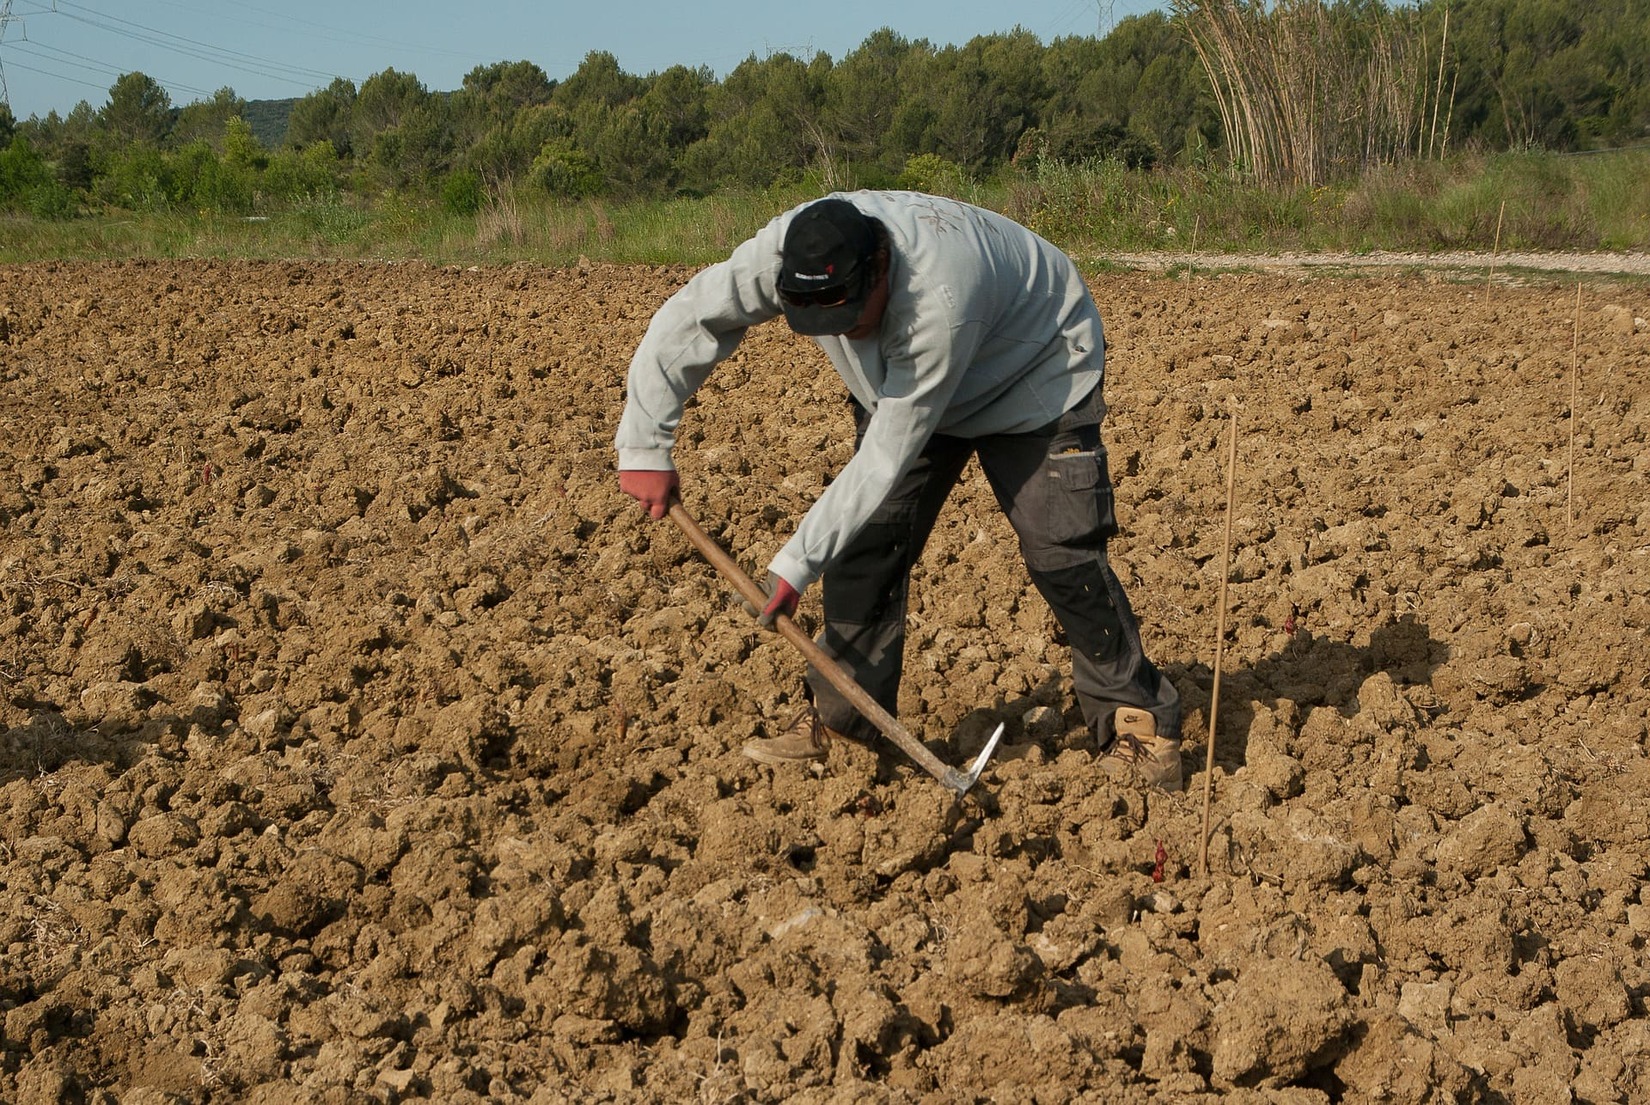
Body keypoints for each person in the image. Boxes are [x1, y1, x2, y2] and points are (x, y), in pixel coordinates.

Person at [615, 191, 1184, 790]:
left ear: (879, 270)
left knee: (1062, 553)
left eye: (852, 318)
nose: (844, 336)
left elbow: (887, 454)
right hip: (904, 386)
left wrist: (791, 567)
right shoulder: (786, 254)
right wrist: (644, 444)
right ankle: (846, 727)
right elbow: (691, 317)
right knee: (866, 546)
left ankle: (1143, 726)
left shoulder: (938, 303)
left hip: (1035, 369)